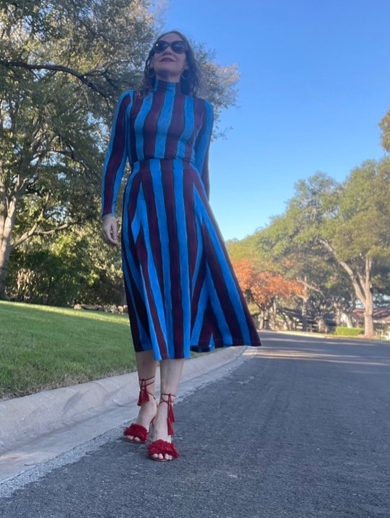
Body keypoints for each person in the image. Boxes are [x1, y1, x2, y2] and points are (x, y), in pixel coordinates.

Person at [100, 31, 261, 461]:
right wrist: (107, 211)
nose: (168, 51)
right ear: (152, 61)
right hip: (141, 202)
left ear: (187, 63)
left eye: (177, 48)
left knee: (175, 304)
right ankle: (145, 399)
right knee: (143, 300)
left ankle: (165, 414)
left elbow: (202, 168)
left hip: (187, 207)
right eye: (160, 48)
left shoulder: (203, 111)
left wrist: (206, 220)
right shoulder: (131, 102)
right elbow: (115, 158)